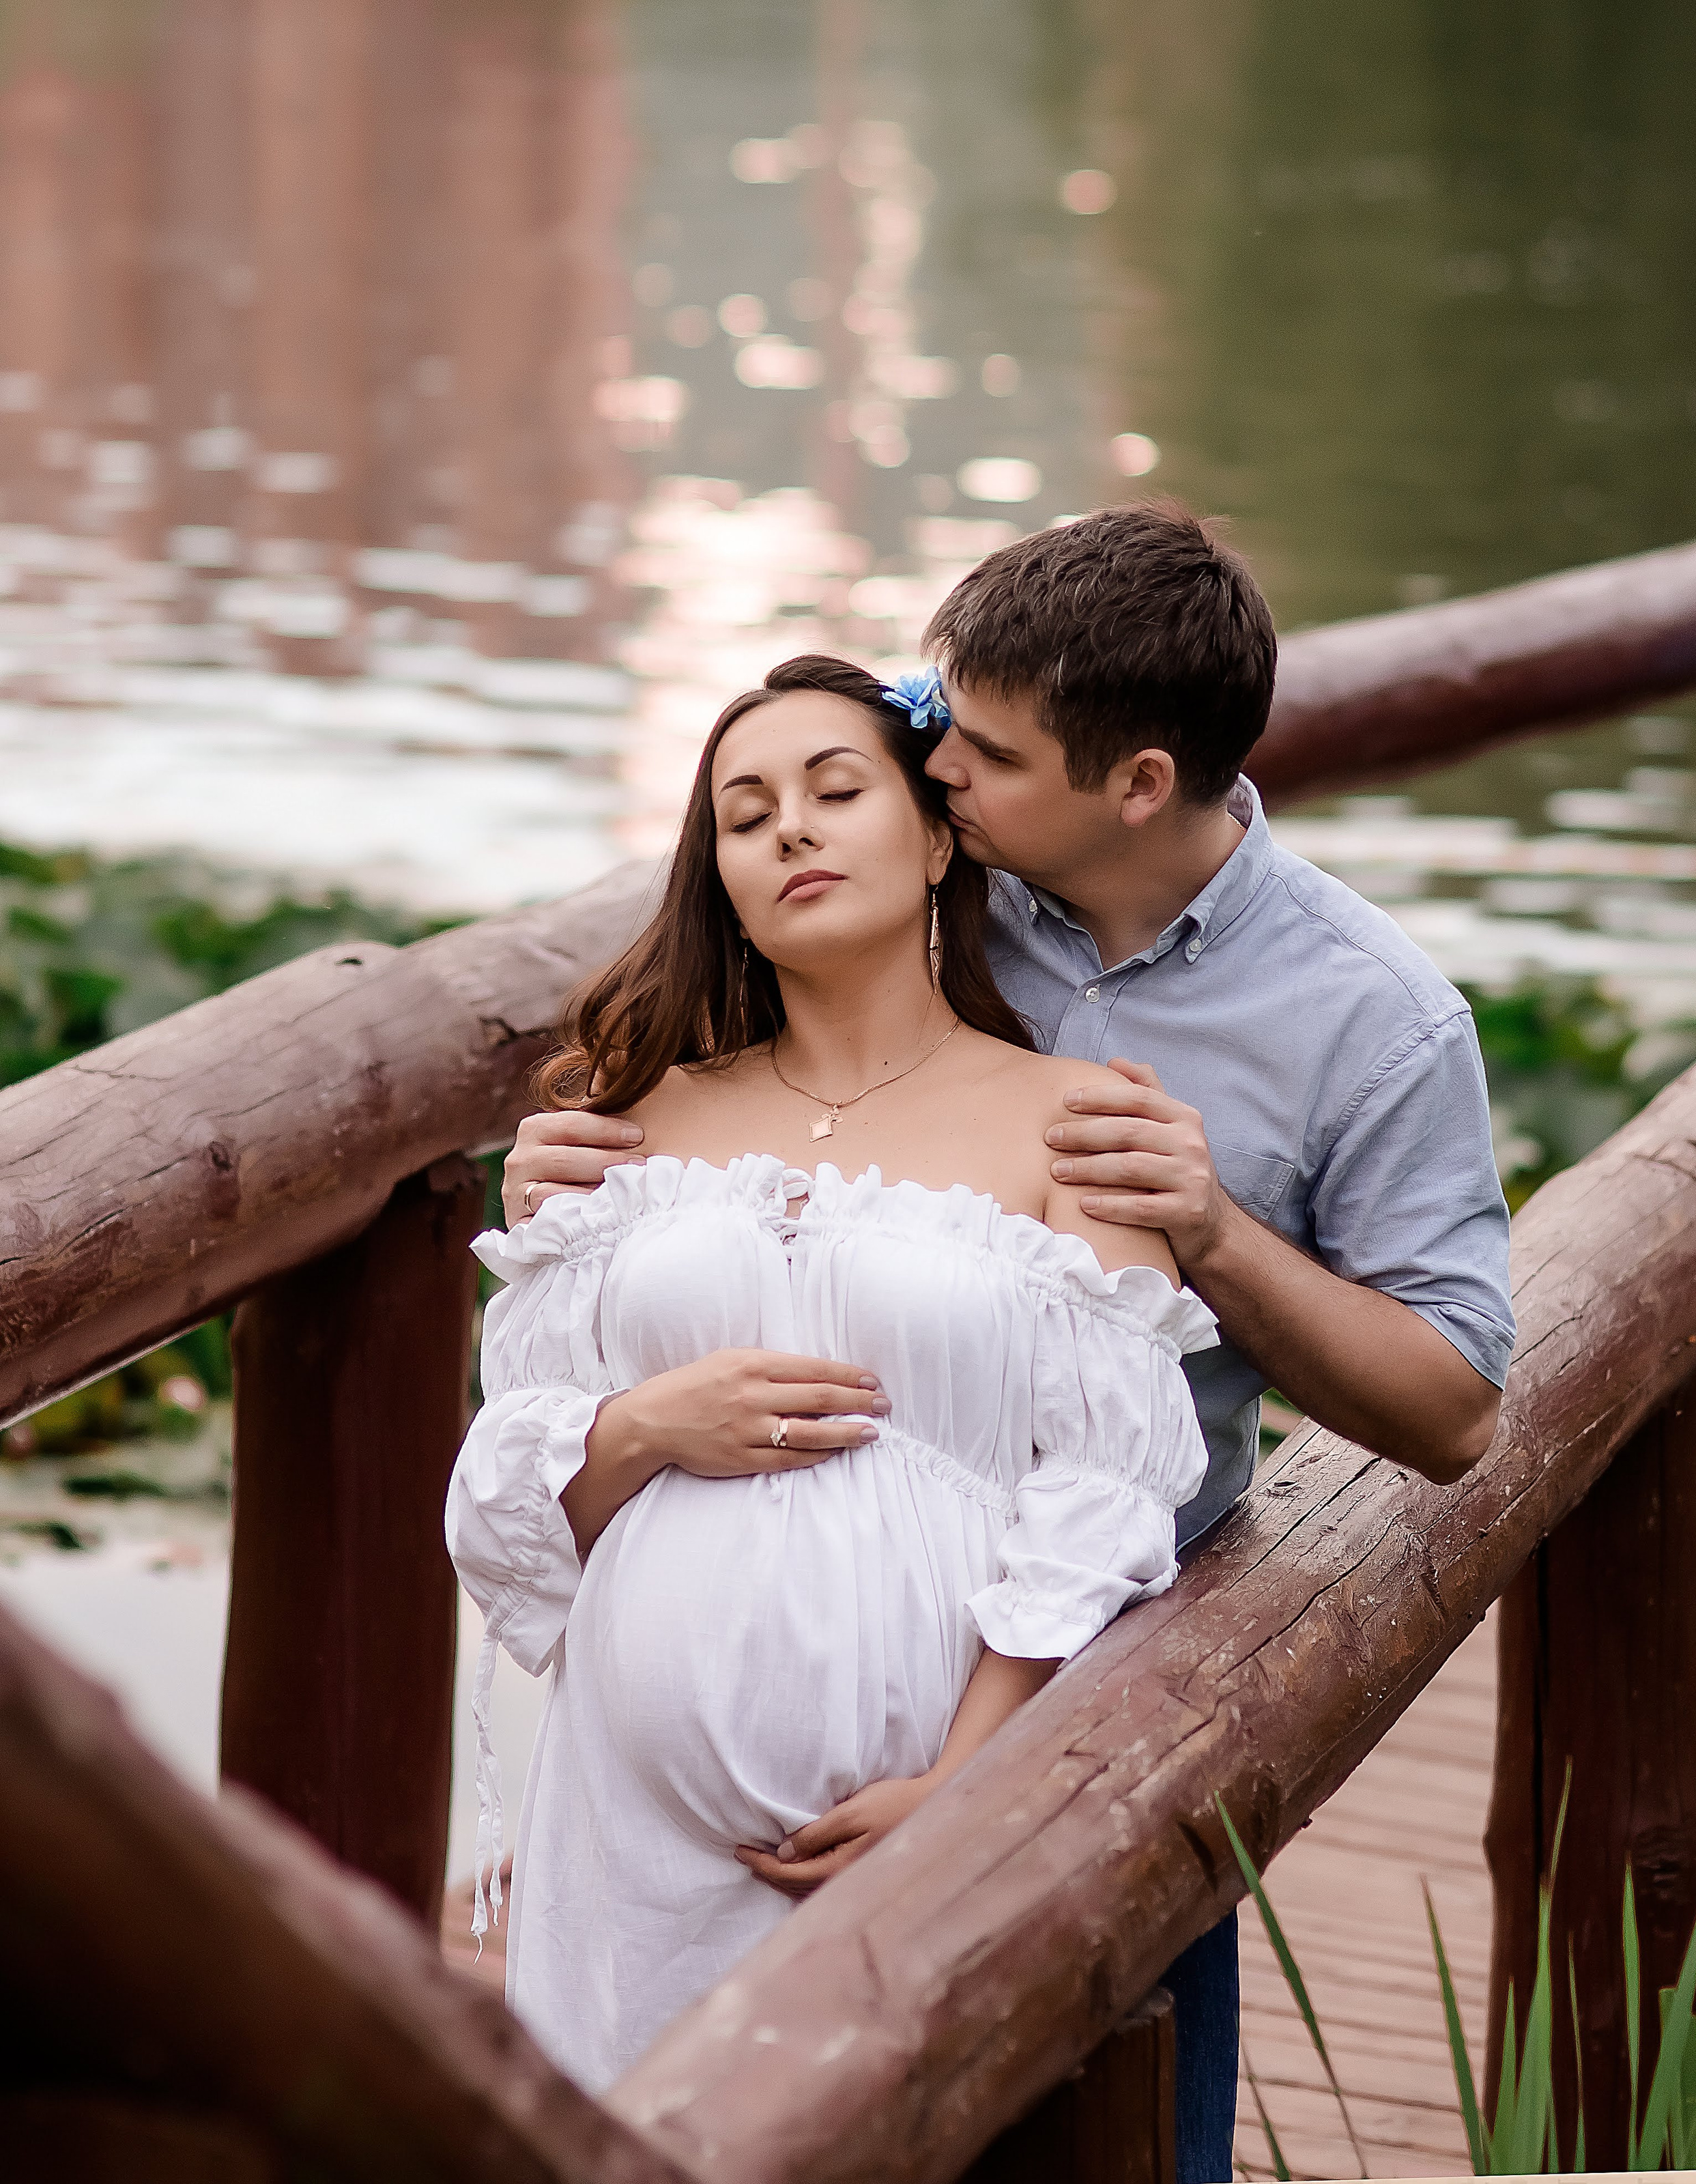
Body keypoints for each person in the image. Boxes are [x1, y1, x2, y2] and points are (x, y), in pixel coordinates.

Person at [504, 501, 1517, 2179]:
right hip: (683, 1750)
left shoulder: (1370, 1018)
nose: (933, 768)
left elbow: (1456, 1412)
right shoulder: (929, 827)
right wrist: (570, 1164)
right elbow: (769, 864)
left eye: (973, 753)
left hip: (1114, 1644)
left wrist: (1211, 1232)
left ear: (1133, 784)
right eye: (931, 735)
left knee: (1106, 2106)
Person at [448, 652, 1220, 2093]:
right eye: (744, 816)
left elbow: (1106, 1486)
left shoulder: (1079, 1123)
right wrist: (646, 1426)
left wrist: (966, 1782)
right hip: (630, 1836)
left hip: (930, 1817)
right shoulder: (620, 1125)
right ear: (721, 882)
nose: (788, 829)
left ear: (936, 837)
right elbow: (508, 1485)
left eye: (833, 790)